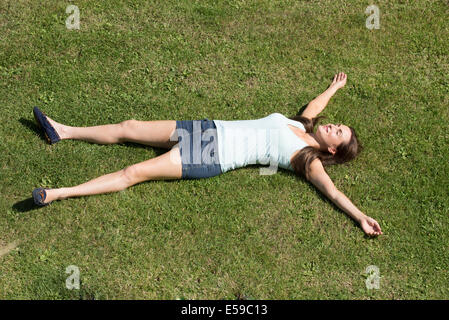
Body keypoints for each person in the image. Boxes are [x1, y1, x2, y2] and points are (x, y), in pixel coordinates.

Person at [32, 72, 382, 237]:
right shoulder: (300, 124)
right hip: (208, 129)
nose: (334, 126)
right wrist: (334, 88)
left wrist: (361, 216)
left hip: (211, 156)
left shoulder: (307, 159)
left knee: (132, 172)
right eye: (337, 124)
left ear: (333, 149)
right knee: (130, 125)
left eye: (338, 132)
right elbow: (315, 106)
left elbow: (333, 192)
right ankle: (63, 131)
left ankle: (58, 194)